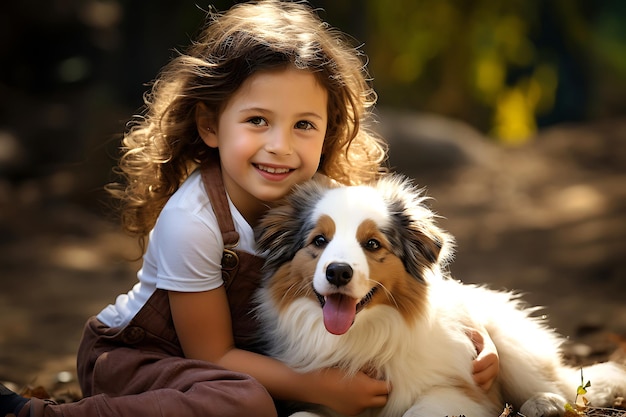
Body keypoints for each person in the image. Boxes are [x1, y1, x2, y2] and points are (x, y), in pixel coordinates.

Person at [0, 1, 499, 416]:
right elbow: (212, 354)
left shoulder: (324, 201)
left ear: (329, 131)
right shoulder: (191, 222)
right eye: (258, 120)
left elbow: (398, 270)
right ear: (211, 125)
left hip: (250, 359)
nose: (280, 146)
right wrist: (319, 388)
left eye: (304, 124)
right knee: (247, 401)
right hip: (141, 357)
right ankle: (36, 414)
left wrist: (472, 337)